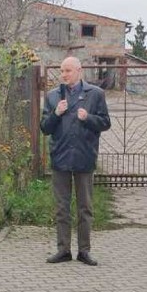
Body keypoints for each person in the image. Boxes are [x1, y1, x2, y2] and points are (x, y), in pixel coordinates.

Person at [40, 56, 111, 265]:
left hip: (84, 156)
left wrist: (87, 118)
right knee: (62, 207)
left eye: (68, 71)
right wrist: (56, 113)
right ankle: (63, 250)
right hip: (60, 157)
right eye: (62, 71)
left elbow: (106, 123)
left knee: (85, 207)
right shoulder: (53, 96)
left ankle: (84, 251)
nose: (64, 75)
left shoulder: (95, 94)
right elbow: (45, 128)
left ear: (79, 71)